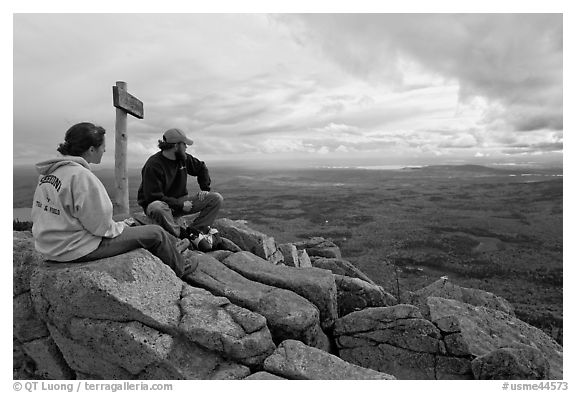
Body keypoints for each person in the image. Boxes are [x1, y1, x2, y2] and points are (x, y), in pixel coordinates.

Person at [31, 122, 197, 279]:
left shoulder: (48, 174)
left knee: (130, 218)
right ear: (91, 149)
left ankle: (173, 247)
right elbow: (101, 228)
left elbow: (38, 214)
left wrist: (121, 224)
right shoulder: (81, 177)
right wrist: (120, 228)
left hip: (50, 246)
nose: (104, 150)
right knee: (155, 233)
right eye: (103, 146)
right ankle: (180, 267)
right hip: (75, 249)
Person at [137, 128, 223, 247]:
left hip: (181, 202)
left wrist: (205, 189)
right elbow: (153, 197)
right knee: (157, 207)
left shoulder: (183, 158)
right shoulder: (153, 165)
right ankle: (183, 235)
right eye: (185, 144)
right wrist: (181, 205)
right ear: (176, 146)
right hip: (161, 206)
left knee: (216, 198)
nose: (186, 147)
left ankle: (195, 231)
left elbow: (201, 168)